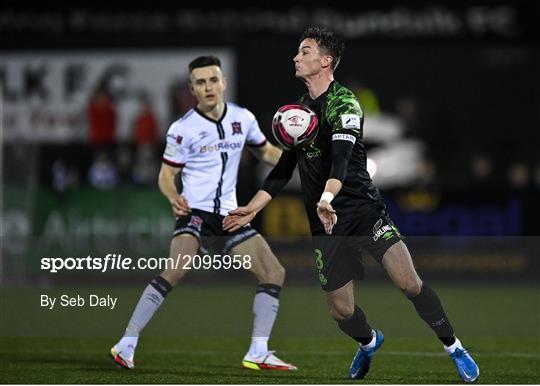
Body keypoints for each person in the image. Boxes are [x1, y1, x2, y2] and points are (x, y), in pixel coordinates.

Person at [223, 27, 479, 382]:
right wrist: (253, 207)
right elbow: (284, 168)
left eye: (305, 51)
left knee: (409, 284)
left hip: (363, 211)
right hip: (326, 225)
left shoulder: (345, 103)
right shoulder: (298, 112)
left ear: (325, 61)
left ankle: (454, 347)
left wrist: (327, 197)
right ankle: (370, 342)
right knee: (341, 312)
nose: (296, 57)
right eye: (298, 51)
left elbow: (341, 160)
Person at [110, 56, 296, 371]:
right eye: (200, 82)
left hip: (229, 216)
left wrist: (298, 160)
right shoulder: (183, 129)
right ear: (192, 89)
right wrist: (172, 196)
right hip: (195, 212)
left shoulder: (243, 118)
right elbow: (166, 176)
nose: (208, 87)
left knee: (274, 272)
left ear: (223, 82)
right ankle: (126, 342)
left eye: (213, 80)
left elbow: (264, 151)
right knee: (177, 269)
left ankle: (258, 351)